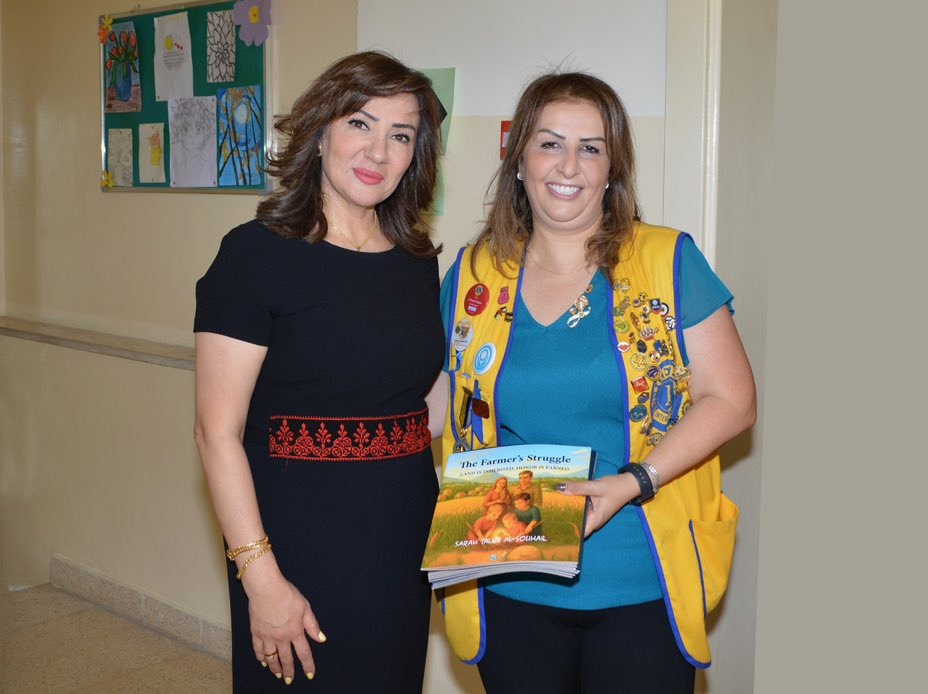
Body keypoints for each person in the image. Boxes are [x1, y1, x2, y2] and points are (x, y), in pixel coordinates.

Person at [436, 71, 756, 693]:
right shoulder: (475, 271)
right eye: (550, 144)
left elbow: (733, 400)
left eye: (591, 148)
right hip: (507, 576)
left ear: (612, 169)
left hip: (641, 577)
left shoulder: (667, 260)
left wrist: (635, 481)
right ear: (519, 160)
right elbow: (445, 400)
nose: (569, 166)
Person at [193, 51, 447, 693]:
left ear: (416, 155)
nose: (378, 152)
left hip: (401, 538)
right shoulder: (254, 256)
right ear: (321, 129)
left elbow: (425, 408)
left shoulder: (417, 262)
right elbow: (216, 434)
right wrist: (260, 578)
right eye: (361, 123)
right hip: (293, 542)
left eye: (401, 135)